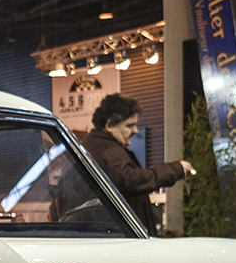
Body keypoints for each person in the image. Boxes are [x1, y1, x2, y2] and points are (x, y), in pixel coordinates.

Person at [81, 93, 193, 235]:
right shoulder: (109, 150)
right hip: (121, 239)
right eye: (129, 125)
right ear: (109, 125)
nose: (135, 130)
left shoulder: (97, 146)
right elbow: (130, 180)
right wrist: (174, 169)